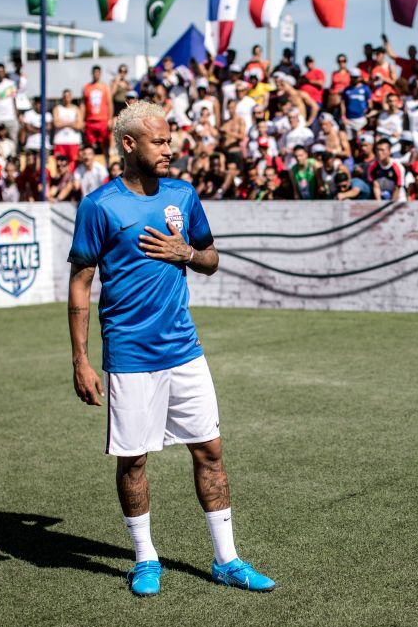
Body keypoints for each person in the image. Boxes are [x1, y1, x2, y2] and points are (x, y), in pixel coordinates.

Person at [67, 101, 274, 597]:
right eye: (159, 141)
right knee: (134, 460)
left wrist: (188, 253)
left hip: (185, 350)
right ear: (129, 144)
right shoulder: (100, 206)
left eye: (169, 140)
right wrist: (80, 359)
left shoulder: (183, 194)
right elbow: (80, 282)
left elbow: (211, 258)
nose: (169, 148)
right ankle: (145, 559)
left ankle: (227, 559)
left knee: (210, 451)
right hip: (130, 355)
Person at [83, 65, 114, 159]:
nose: (96, 75)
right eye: (95, 73)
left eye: (98, 73)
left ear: (100, 74)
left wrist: (110, 119)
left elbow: (110, 103)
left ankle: (107, 164)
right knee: (90, 144)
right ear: (92, 74)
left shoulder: (105, 87)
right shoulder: (86, 87)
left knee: (105, 144)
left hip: (103, 120)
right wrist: (82, 119)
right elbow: (83, 104)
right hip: (90, 120)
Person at [0, 63, 20, 144]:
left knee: (13, 141)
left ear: (5, 72)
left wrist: (17, 116)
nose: (0, 73)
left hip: (10, 117)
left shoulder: (11, 84)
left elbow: (15, 101)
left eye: (2, 71)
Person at [53, 89, 84, 170]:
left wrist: (63, 123)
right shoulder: (57, 108)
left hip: (73, 141)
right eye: (65, 96)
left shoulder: (76, 109)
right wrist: (72, 123)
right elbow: (56, 124)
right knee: (60, 163)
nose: (66, 98)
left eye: (68, 96)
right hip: (60, 141)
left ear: (71, 97)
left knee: (73, 163)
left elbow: (79, 125)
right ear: (62, 97)